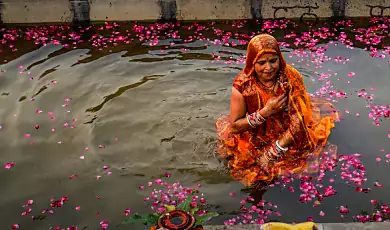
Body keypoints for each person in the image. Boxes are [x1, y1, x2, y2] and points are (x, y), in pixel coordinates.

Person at [215, 34, 339, 188]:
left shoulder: (290, 78)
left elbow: (298, 119)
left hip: (288, 131)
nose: (268, 68)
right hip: (255, 132)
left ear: (280, 59)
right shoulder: (242, 85)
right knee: (249, 173)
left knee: (292, 161)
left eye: (273, 61)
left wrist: (273, 152)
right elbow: (234, 126)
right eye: (261, 63)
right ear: (252, 62)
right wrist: (265, 112)